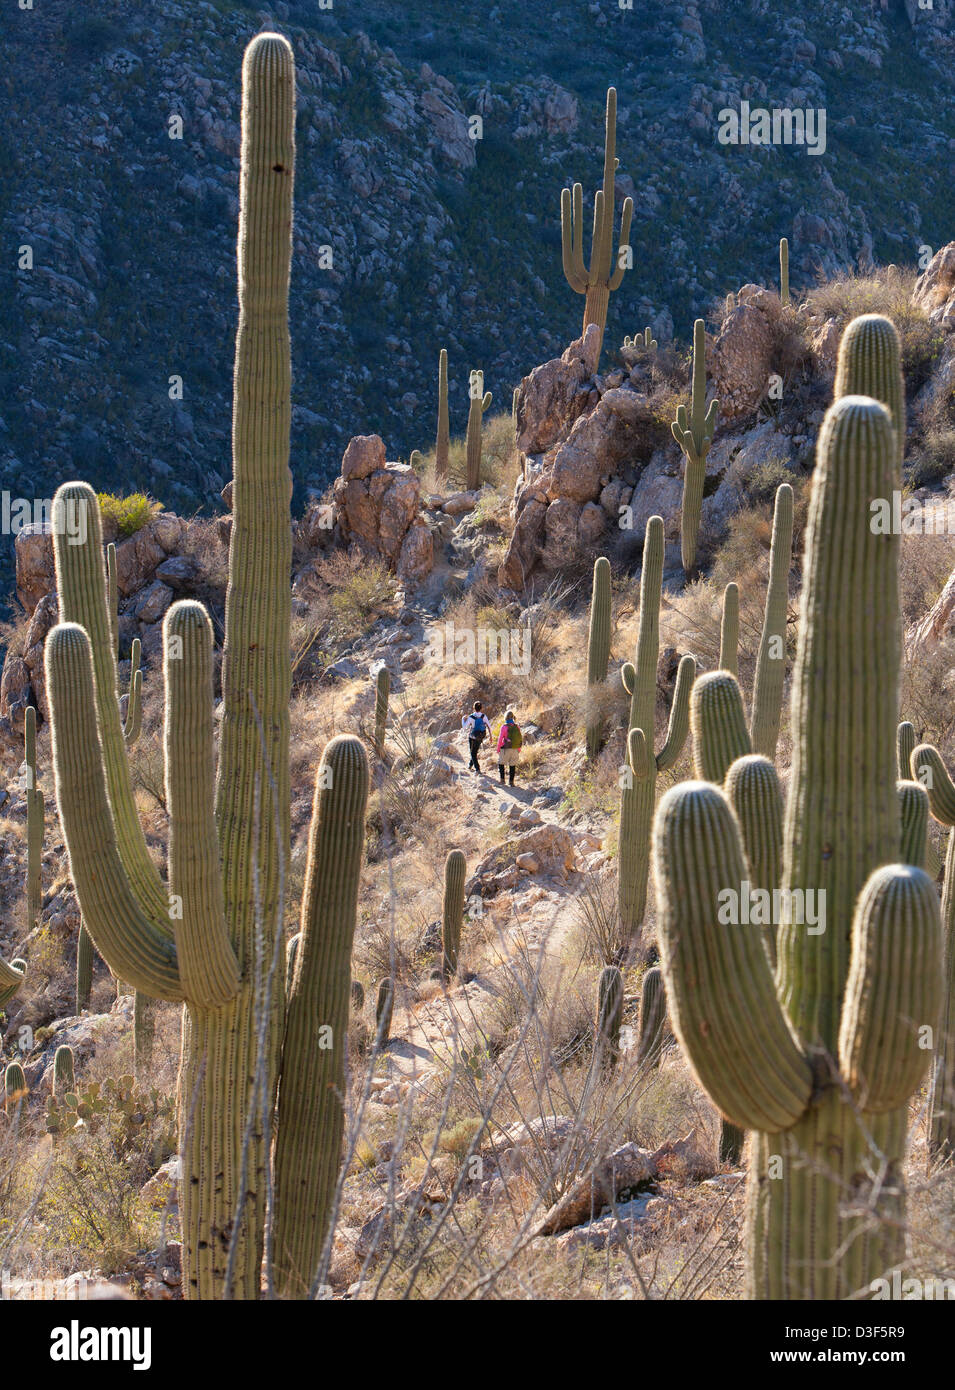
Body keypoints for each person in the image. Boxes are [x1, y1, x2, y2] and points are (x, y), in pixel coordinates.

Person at [462, 701, 492, 772]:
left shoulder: (471, 717)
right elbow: (489, 726)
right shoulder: (484, 716)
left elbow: (464, 727)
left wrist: (463, 719)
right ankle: (470, 765)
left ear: (474, 708)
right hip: (480, 736)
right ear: (481, 708)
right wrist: (491, 737)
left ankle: (477, 769)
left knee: (472, 753)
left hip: (472, 736)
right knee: (474, 752)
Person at [496, 711, 523, 786]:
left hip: (506, 748)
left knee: (501, 763)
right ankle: (511, 782)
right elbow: (519, 738)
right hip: (515, 748)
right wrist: (519, 748)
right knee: (512, 765)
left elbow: (500, 738)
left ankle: (502, 780)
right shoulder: (517, 726)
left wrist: (498, 749)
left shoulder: (504, 727)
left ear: (505, 717)